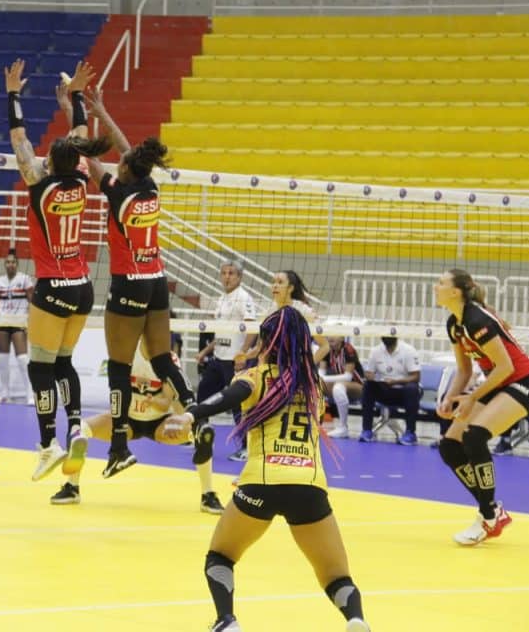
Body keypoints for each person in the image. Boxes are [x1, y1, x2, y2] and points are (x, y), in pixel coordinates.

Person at [163, 306, 370, 632]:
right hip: (309, 486)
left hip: (262, 483)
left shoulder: (255, 378)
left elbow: (226, 397)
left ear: (267, 342)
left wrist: (190, 415)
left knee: (220, 556)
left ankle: (226, 622)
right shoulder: (314, 385)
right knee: (335, 575)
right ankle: (356, 620)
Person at [76, 86, 198, 478]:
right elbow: (127, 151)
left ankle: (119, 447)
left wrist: (76, 110)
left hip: (128, 284)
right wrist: (103, 111)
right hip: (156, 279)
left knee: (118, 366)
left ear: (125, 169)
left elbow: (89, 158)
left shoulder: (118, 194)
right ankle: (196, 409)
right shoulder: (148, 187)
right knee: (162, 358)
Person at [5, 59, 108, 481]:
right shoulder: (81, 181)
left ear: (50, 162)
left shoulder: (38, 184)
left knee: (40, 368)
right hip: (82, 286)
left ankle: (48, 444)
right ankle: (76, 425)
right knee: (63, 362)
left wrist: (13, 94)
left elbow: (18, 137)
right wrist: (77, 97)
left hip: (52, 287)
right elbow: (81, 135)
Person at [435, 268, 529, 546]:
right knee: (450, 445)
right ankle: (493, 509)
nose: (435, 287)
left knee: (475, 435)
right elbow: (463, 369)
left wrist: (471, 398)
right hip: (498, 383)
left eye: (441, 283)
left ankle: (487, 517)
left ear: (456, 291)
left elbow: (506, 367)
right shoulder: (454, 324)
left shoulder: (476, 320)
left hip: (523, 384)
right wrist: (450, 397)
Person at [53, 346, 222, 513]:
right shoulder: (124, 354)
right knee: (80, 431)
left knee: (204, 433)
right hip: (127, 421)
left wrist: (152, 402)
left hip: (159, 423)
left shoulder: (167, 359)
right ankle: (72, 486)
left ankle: (208, 495)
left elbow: (165, 404)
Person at [196, 260, 257, 459]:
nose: (227, 276)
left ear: (239, 277)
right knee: (203, 395)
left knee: (238, 405)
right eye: (223, 273)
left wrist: (243, 353)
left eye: (231, 273)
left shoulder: (243, 298)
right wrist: (205, 351)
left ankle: (246, 447)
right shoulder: (222, 299)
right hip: (218, 359)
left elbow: (251, 329)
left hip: (235, 361)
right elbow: (222, 333)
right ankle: (201, 436)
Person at [358, 336, 421, 445]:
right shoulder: (375, 351)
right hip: (385, 389)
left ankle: (411, 433)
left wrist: (396, 382)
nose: (387, 337)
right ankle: (367, 430)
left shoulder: (408, 351)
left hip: (403, 391)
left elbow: (416, 377)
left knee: (412, 389)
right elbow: (369, 373)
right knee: (368, 386)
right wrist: (372, 377)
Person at [0, 248, 33, 402]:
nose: (10, 265)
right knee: (3, 359)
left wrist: (30, 323)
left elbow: (32, 302)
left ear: (17, 264)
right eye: (8, 262)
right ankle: (4, 393)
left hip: (18, 322)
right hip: (2, 322)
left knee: (22, 359)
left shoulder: (25, 279)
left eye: (13, 262)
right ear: (4, 264)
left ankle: (30, 393)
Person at [320, 336, 365, 439]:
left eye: (335, 335)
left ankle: (343, 427)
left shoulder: (348, 349)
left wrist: (323, 378)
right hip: (340, 385)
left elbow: (348, 376)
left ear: (342, 338)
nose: (331, 338)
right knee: (316, 386)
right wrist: (319, 379)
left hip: (358, 386)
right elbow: (321, 372)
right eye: (330, 335)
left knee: (338, 387)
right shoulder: (327, 350)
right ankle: (314, 422)